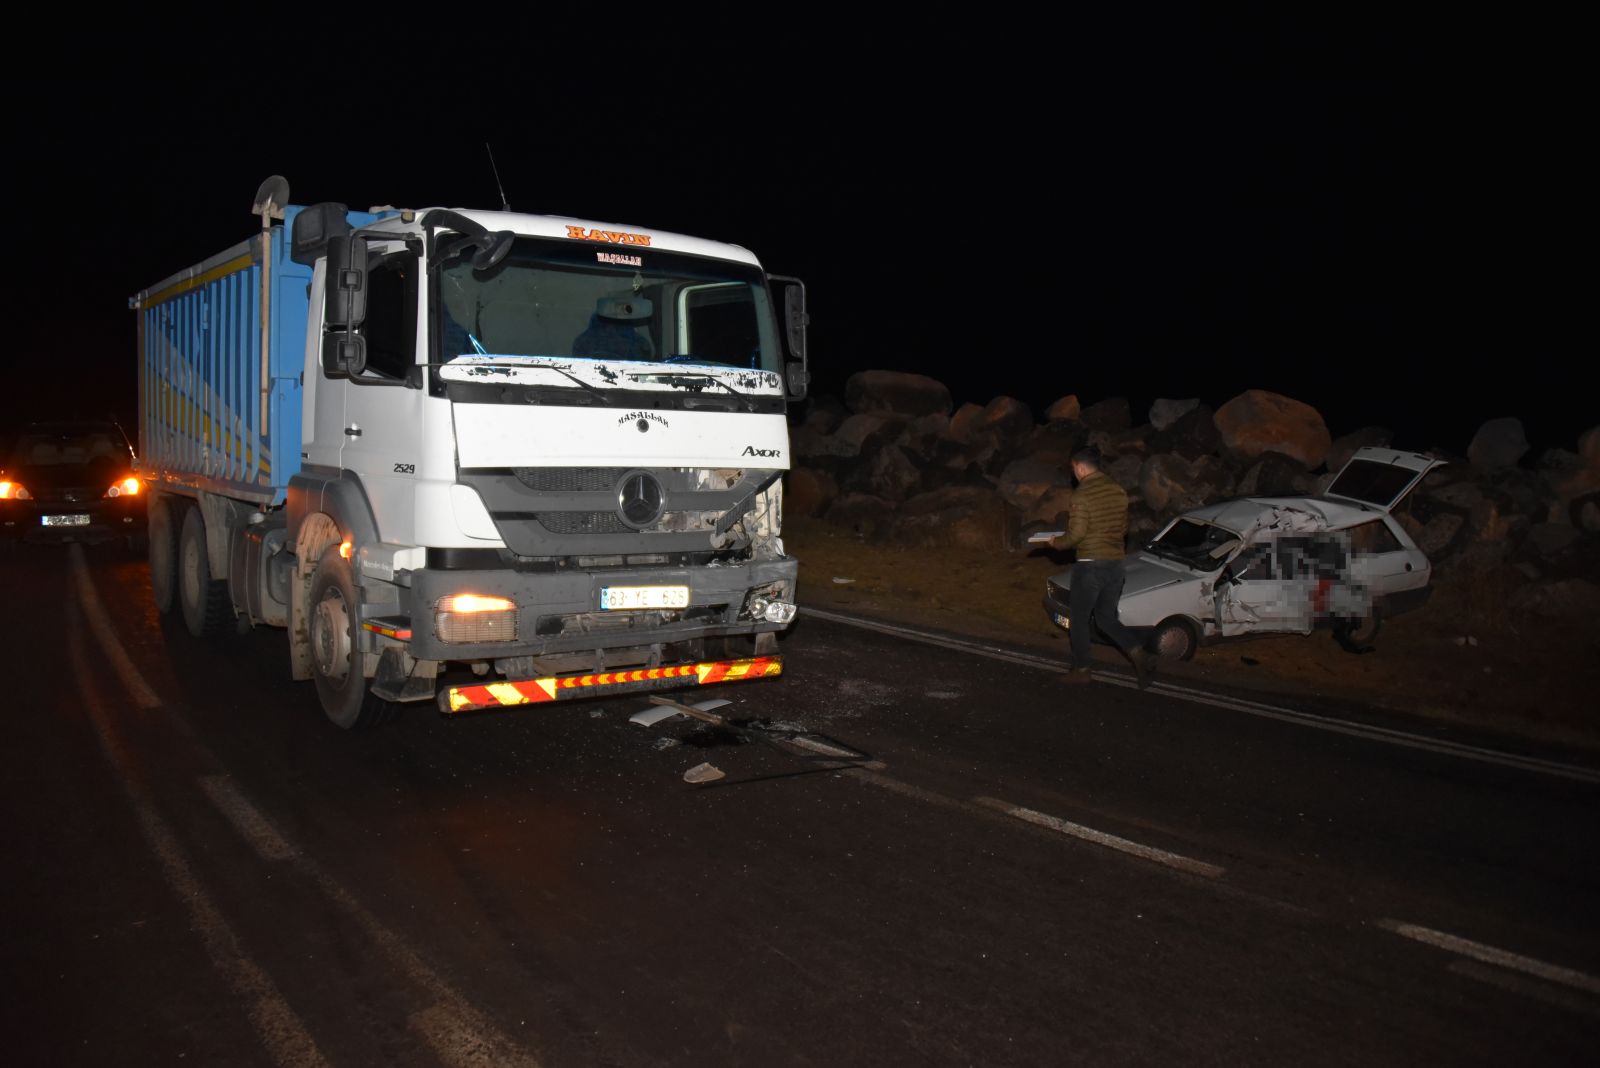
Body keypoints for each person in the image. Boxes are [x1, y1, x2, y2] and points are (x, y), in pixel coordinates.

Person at [1050, 446, 1157, 688]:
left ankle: (1082, 669)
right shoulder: (1117, 491)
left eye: (1073, 469)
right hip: (1115, 566)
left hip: (1090, 566)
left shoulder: (1082, 495)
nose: (1074, 474)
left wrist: (1056, 543)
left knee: (1078, 619)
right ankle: (1140, 654)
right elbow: (1122, 529)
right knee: (1106, 619)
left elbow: (1076, 535)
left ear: (1079, 467)